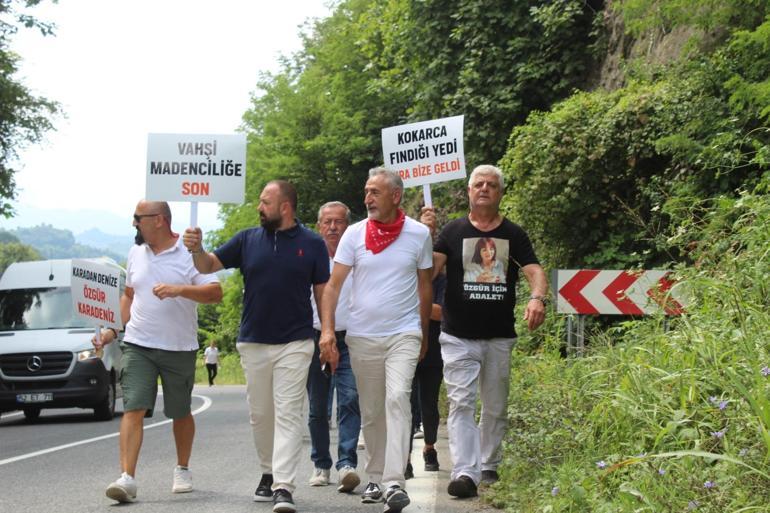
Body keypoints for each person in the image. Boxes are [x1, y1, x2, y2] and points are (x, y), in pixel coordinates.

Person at [183, 180, 329, 513]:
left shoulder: (313, 243)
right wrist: (196, 248)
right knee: (261, 415)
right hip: (253, 342)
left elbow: (323, 292)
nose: (259, 207)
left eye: (265, 202)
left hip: (296, 341)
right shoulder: (247, 240)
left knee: (289, 414)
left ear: (285, 207)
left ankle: (283, 486)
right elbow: (207, 266)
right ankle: (268, 472)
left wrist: (327, 333)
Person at [421, 164, 548, 499]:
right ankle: (465, 472)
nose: (484, 189)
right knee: (461, 402)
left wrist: (537, 298)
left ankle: (489, 463)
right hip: (457, 335)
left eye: (491, 185)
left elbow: (534, 270)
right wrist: (424, 237)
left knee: (494, 405)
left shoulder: (514, 234)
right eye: (478, 184)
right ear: (468, 191)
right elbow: (427, 273)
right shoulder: (451, 231)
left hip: (498, 335)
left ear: (500, 192)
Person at [320, 167, 433, 513]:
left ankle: (395, 481)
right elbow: (333, 286)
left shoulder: (418, 234)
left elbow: (425, 285)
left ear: (395, 196)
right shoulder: (354, 235)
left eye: (375, 192)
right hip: (363, 336)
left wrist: (424, 332)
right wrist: (327, 330)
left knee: (398, 399)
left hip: (404, 332)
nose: (367, 198)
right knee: (372, 411)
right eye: (366, 191)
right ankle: (375, 475)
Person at [96, 200, 222, 503]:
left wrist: (179, 289)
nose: (134, 223)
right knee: (133, 407)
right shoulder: (135, 253)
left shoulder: (190, 254)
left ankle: (182, 467)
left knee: (180, 412)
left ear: (160, 220)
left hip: (178, 346)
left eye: (138, 218)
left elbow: (215, 293)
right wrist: (113, 330)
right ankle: (127, 477)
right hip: (138, 344)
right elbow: (129, 296)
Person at [306, 201, 362, 492]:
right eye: (327, 222)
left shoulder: (357, 255)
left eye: (338, 222)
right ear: (318, 226)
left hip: (350, 338)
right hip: (316, 337)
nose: (332, 227)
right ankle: (321, 463)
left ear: (347, 226)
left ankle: (346, 464)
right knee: (318, 407)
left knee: (350, 399)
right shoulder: (309, 258)